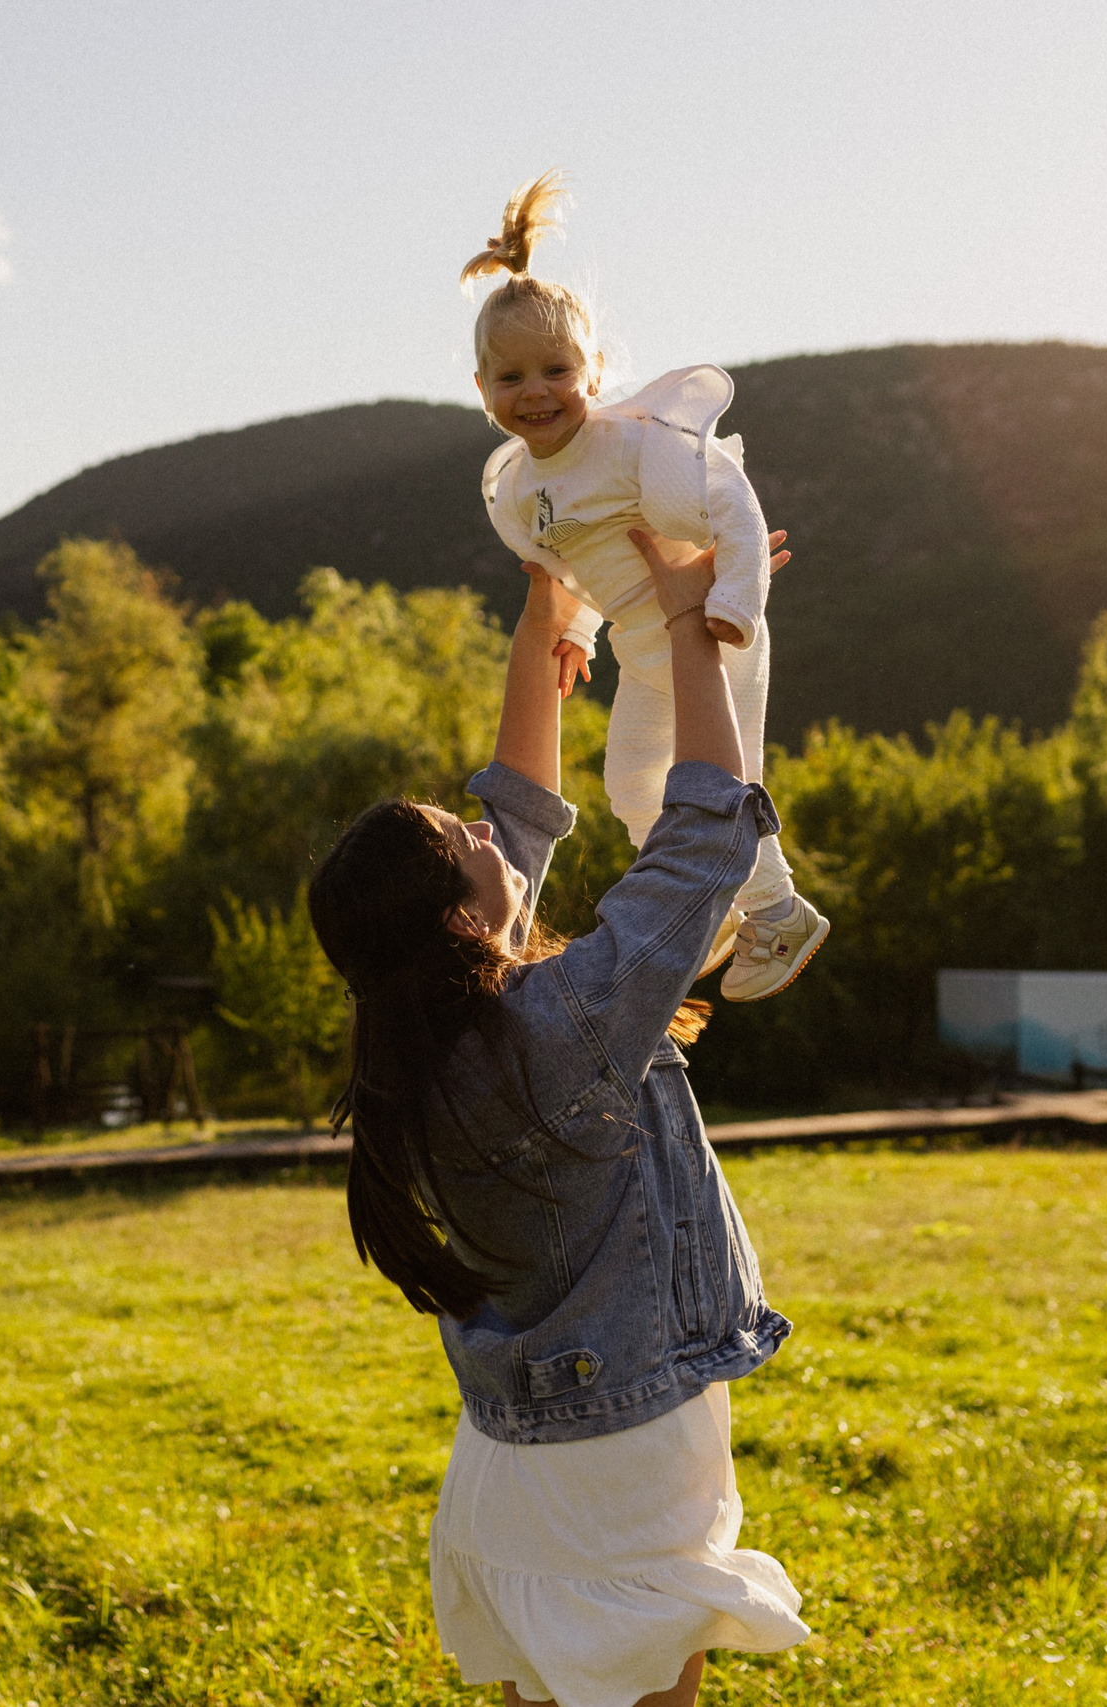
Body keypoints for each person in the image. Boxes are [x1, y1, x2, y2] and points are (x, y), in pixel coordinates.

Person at [306, 531, 810, 1707]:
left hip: (509, 1460)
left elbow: (519, 817)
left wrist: (548, 619)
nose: (485, 832)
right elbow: (705, 837)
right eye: (461, 840)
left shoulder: (418, 1045)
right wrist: (687, 629)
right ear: (455, 921)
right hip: (623, 1458)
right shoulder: (564, 1020)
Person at [464, 170, 826, 1001]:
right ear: (483, 390)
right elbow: (577, 566)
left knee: (724, 784)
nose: (535, 391)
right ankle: (710, 909)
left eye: (555, 369)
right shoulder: (521, 489)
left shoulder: (633, 446)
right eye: (511, 378)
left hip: (709, 629)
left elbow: (732, 500)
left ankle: (779, 912)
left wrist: (734, 602)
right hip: (640, 645)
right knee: (632, 784)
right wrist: (575, 632)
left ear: (593, 370)